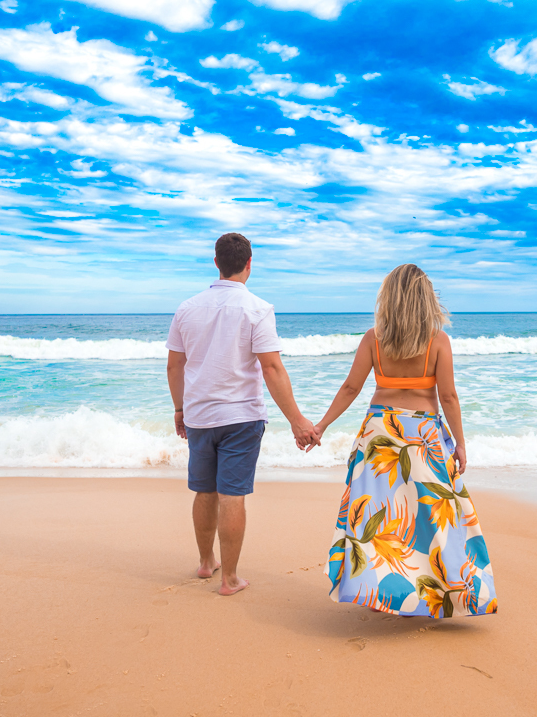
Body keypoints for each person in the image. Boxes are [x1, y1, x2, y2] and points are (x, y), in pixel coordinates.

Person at [314, 264, 497, 617]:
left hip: (379, 433)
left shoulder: (374, 338)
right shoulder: (438, 341)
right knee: (433, 516)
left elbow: (351, 388)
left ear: (389, 297)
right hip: (423, 435)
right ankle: (447, 592)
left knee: (379, 517)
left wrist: (321, 425)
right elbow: (449, 397)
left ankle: (378, 592)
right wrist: (460, 443)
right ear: (426, 298)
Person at [166, 233, 319, 596]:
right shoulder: (257, 308)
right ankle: (230, 579)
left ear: (216, 263)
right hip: (241, 418)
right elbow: (272, 368)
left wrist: (179, 408)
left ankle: (207, 562)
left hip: (199, 416)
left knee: (205, 491)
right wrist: (297, 420)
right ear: (249, 264)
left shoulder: (187, 308)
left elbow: (174, 365)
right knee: (232, 495)